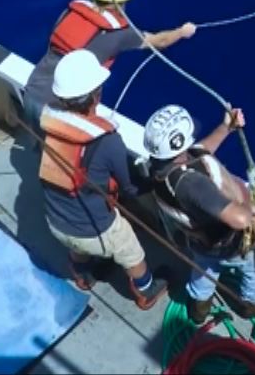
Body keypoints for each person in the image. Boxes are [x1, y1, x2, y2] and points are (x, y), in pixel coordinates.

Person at [38, 49, 166, 309]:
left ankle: (83, 275)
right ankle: (146, 290)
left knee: (78, 245)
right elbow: (130, 187)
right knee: (130, 250)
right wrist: (154, 179)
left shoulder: (49, 124)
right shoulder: (108, 141)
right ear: (96, 95)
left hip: (55, 222)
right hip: (94, 231)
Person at [20, 0, 196, 139]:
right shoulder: (121, 34)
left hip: (31, 93)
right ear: (120, 3)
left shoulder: (69, 12)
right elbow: (160, 41)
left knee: (42, 146)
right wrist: (182, 32)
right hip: (57, 111)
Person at [142, 104, 255, 324]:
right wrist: (254, 209)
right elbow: (238, 220)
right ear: (178, 146)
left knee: (203, 274)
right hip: (228, 244)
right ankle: (251, 306)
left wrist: (226, 127)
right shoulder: (192, 184)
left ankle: (198, 310)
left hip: (201, 244)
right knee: (249, 272)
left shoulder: (160, 169)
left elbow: (202, 150)